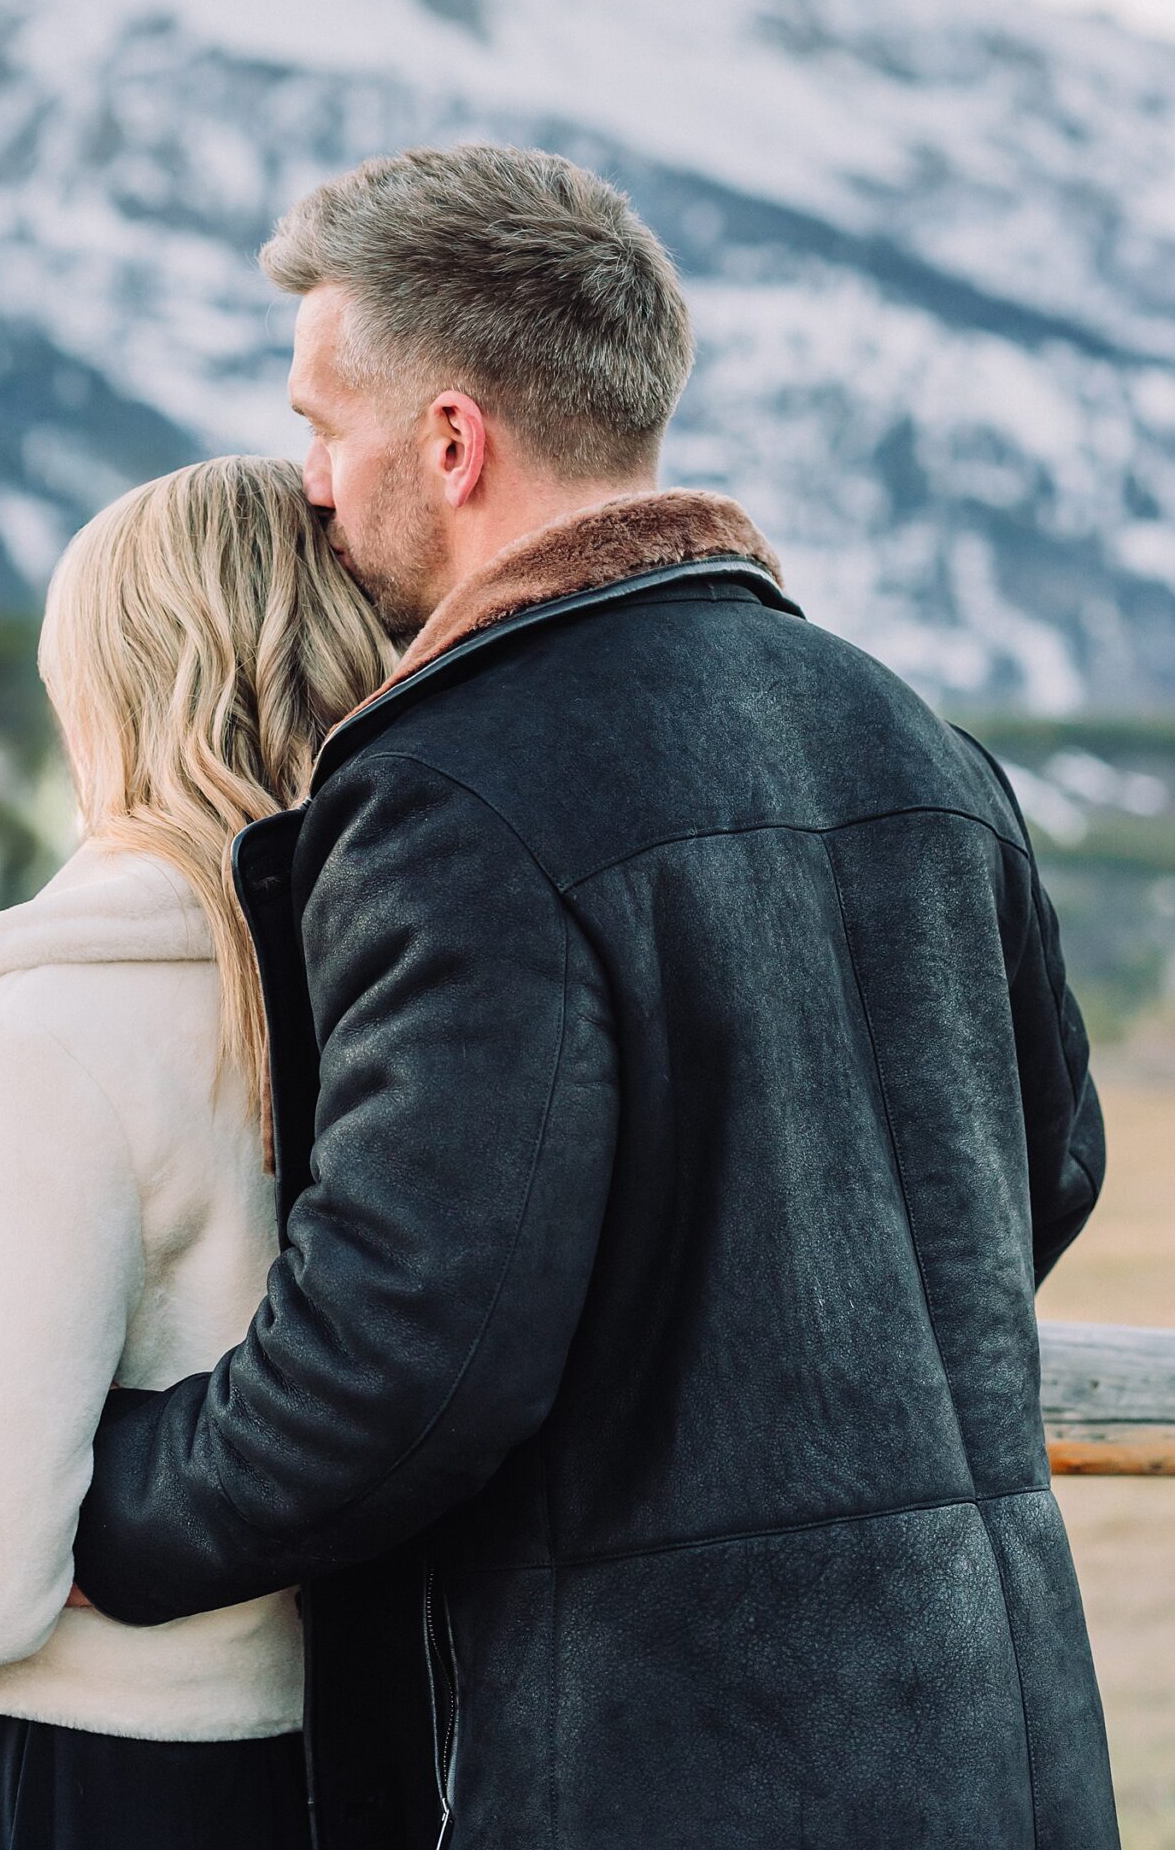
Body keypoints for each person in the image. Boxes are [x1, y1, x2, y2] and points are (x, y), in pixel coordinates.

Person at [73, 142, 1119, 1850]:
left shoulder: (452, 792)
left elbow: (397, 1369)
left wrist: (82, 1496)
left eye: (319, 428)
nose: (311, 489)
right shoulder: (909, 735)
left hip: (659, 1761)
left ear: (452, 440)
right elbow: (1034, 1177)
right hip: (996, 1743)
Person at [0, 458, 393, 1850]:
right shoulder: (418, 985)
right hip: (354, 1767)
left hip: (66, 1775)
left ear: (107, 692)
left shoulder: (55, 1027)